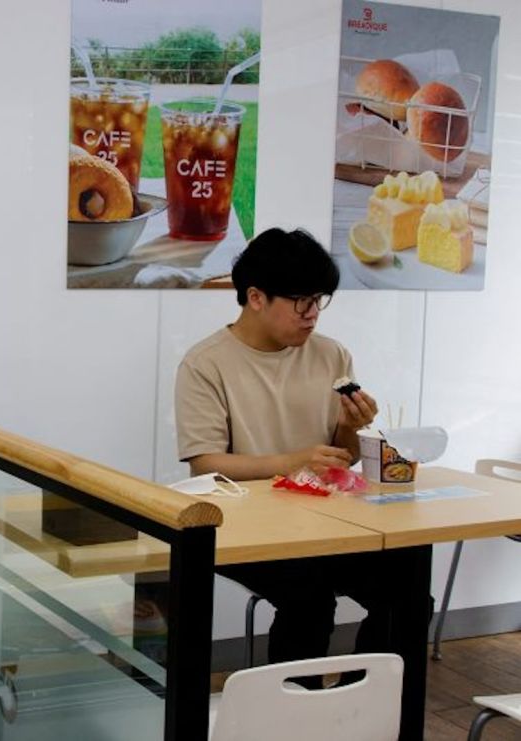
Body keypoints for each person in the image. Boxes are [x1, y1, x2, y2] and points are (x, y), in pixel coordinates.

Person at [174, 227, 385, 679]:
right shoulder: (206, 363)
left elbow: (340, 458)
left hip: (325, 521)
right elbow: (205, 464)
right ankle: (291, 717)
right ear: (255, 297)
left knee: (406, 589)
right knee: (309, 599)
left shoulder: (331, 356)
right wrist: (293, 461)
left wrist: (350, 428)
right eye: (301, 302)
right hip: (246, 529)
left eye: (319, 301)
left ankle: (370, 709)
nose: (312, 316)